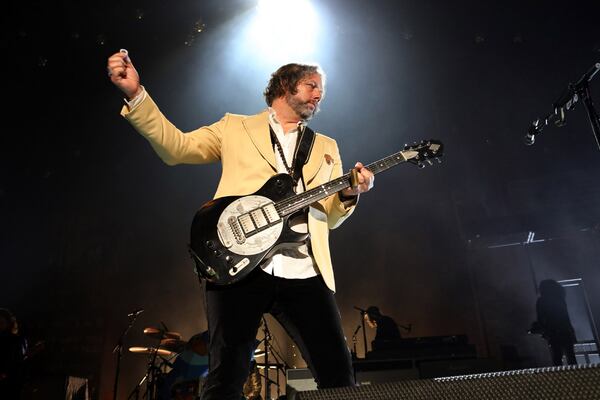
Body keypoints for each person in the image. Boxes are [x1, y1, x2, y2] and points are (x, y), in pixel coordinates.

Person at [107, 51, 374, 400]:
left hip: (305, 270)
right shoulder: (235, 127)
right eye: (311, 85)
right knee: (227, 374)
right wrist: (136, 94)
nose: (318, 94)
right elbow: (176, 148)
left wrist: (350, 195)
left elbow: (330, 217)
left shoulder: (326, 147)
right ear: (285, 85)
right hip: (238, 263)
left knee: (339, 374)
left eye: (321, 90)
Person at [534, 279, 577, 366]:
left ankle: (560, 377)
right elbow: (566, 317)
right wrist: (571, 331)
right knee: (571, 356)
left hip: (553, 332)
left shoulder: (541, 301)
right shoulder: (560, 299)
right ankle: (577, 376)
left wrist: (540, 329)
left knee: (557, 357)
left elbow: (541, 318)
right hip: (565, 331)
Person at [0, 308, 26, 399]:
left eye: (2, 322)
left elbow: (17, 361)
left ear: (8, 323)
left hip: (10, 383)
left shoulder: (15, 340)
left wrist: (5, 373)